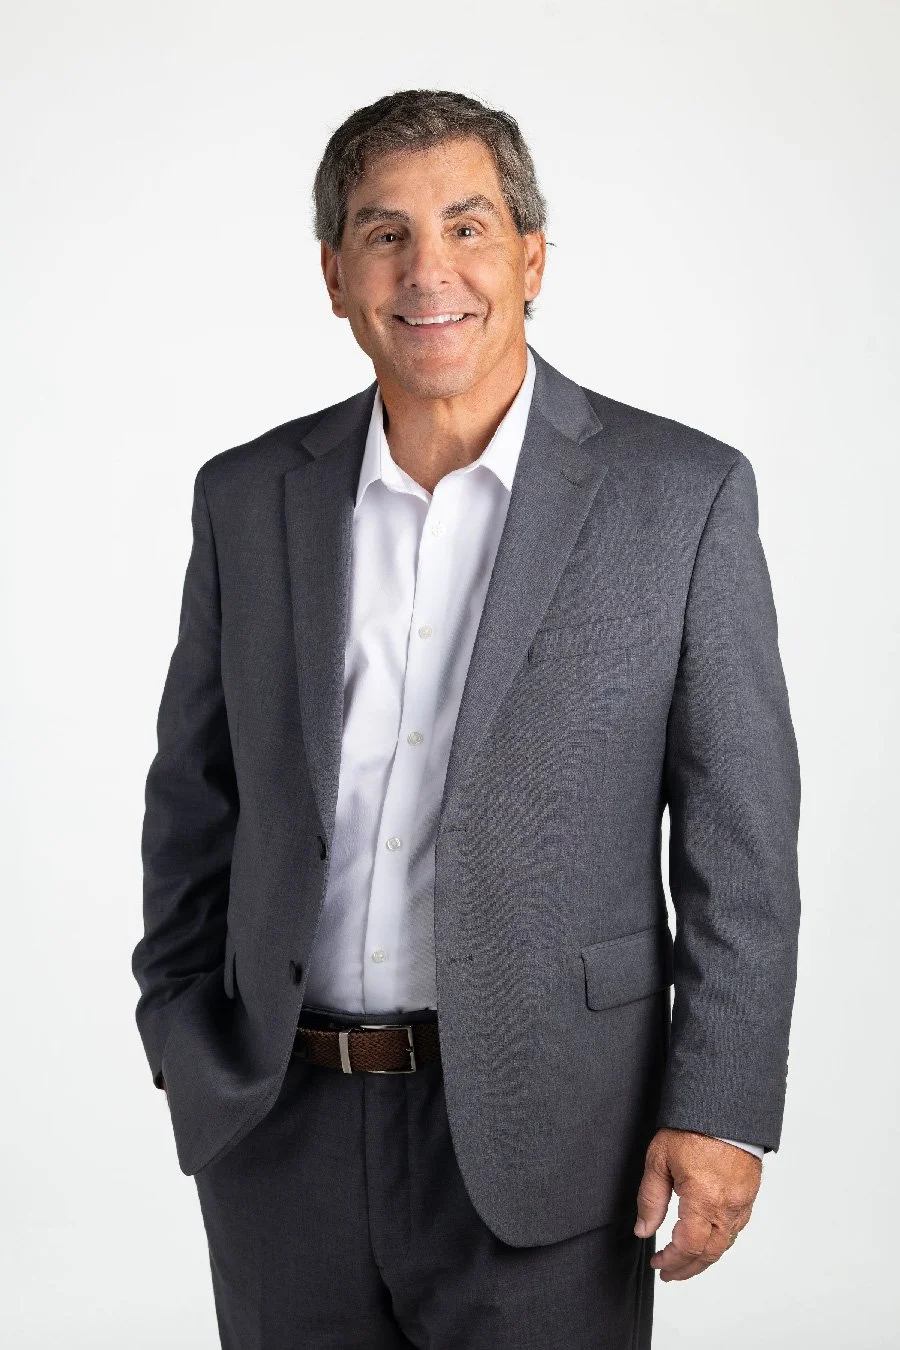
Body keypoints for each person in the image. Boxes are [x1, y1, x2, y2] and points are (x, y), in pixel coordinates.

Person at [132, 88, 801, 1349]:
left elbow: (741, 840)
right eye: (383, 234)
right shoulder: (247, 498)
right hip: (282, 1131)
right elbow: (195, 798)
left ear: (533, 259)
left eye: (468, 226)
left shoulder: (682, 498)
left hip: (557, 1136)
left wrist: (720, 1107)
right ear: (334, 274)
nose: (426, 270)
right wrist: (181, 1029)